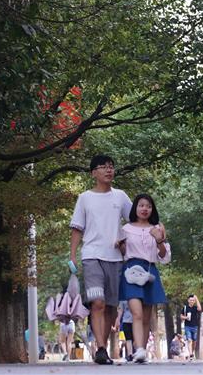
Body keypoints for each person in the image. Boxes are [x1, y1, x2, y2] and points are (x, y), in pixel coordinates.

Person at [69, 154, 133, 365]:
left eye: (111, 167)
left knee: (111, 307)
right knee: (98, 302)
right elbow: (77, 228)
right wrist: (72, 256)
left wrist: (127, 243)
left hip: (115, 259)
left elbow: (135, 222)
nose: (109, 170)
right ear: (93, 172)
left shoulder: (121, 197)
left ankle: (101, 349)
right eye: (104, 167)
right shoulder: (85, 198)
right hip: (91, 256)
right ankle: (102, 348)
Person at [118, 194, 170, 363]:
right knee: (136, 313)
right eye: (141, 205)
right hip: (131, 272)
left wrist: (159, 240)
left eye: (148, 206)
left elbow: (164, 257)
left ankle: (141, 352)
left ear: (152, 209)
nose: (144, 209)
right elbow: (122, 254)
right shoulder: (125, 229)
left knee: (147, 317)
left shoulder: (156, 228)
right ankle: (139, 349)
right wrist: (121, 246)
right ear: (135, 208)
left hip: (150, 272)